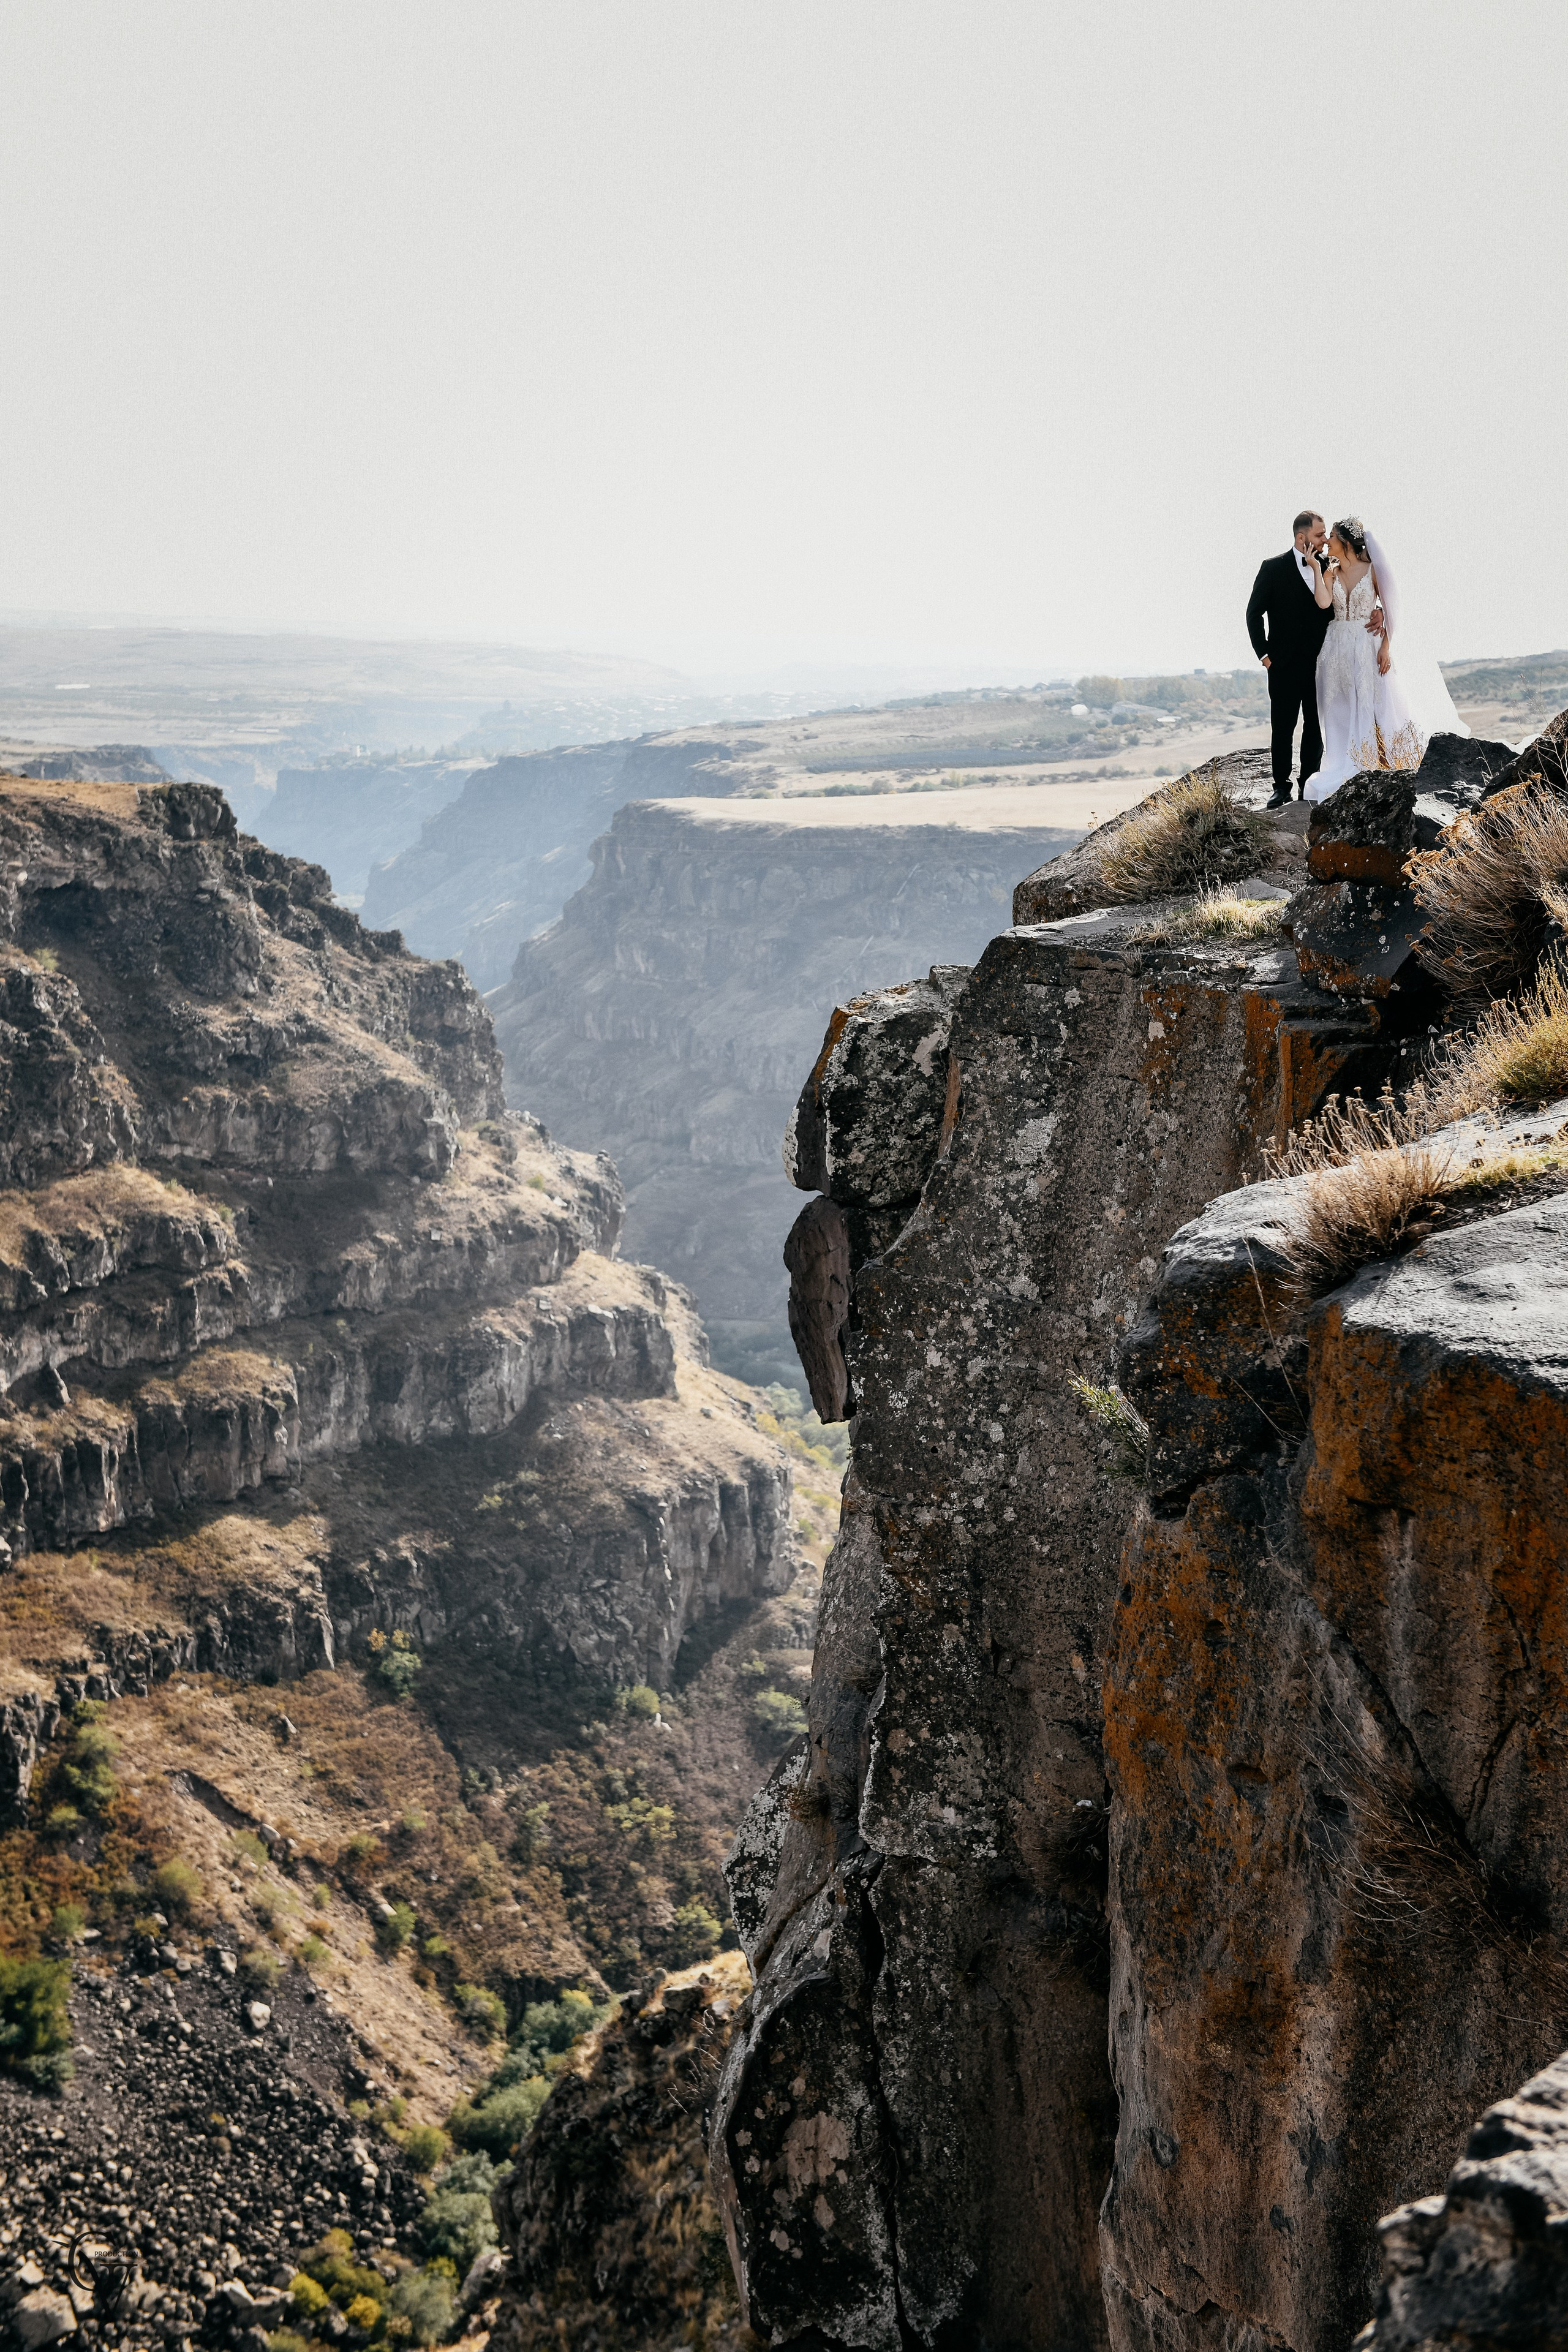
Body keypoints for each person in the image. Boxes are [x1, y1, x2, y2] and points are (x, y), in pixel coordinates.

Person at [1303, 517, 1466, 804]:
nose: (1327, 540)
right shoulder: (1330, 571)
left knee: (1376, 702)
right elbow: (1323, 603)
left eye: (1331, 536)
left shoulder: (1373, 571)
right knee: (1340, 707)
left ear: (1345, 541)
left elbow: (1393, 609)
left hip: (1369, 644)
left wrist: (1386, 647)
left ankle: (1381, 761)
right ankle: (1346, 760)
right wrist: (1317, 569)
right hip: (1338, 647)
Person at [1246, 510, 1383, 807]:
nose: (1323, 540)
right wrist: (1265, 656)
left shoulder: (1328, 565)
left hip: (1323, 661)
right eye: (1319, 535)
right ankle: (1280, 786)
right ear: (1301, 537)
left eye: (1326, 535)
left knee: (1315, 725)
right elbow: (1253, 613)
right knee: (1282, 726)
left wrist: (1380, 610)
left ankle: (1308, 782)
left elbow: (1365, 590)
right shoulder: (1273, 568)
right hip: (1282, 664)